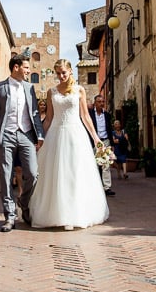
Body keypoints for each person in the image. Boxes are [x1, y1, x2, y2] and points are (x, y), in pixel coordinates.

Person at [29, 59, 109, 231]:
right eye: (58, 73)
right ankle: (56, 213)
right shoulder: (51, 92)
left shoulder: (79, 90)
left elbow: (85, 116)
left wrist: (96, 138)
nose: (61, 76)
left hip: (76, 135)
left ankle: (75, 213)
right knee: (56, 175)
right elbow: (49, 118)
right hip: (56, 136)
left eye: (64, 72)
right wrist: (40, 138)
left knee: (75, 173)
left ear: (70, 71)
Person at [0, 54, 44, 232]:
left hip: (26, 135)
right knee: (6, 175)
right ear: (16, 67)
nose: (29, 70)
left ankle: (23, 203)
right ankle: (9, 216)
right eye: (26, 67)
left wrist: (39, 134)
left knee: (33, 173)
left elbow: (34, 114)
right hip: (6, 135)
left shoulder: (30, 88)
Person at [89, 94, 115, 196]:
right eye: (99, 102)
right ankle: (95, 187)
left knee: (106, 165)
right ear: (95, 103)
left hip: (105, 141)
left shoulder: (107, 115)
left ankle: (107, 188)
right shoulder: (90, 114)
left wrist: (111, 143)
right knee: (94, 165)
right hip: (94, 141)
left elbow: (109, 129)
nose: (101, 104)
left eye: (102, 102)